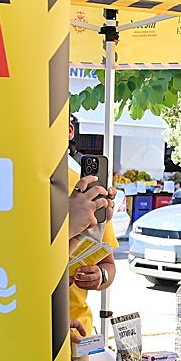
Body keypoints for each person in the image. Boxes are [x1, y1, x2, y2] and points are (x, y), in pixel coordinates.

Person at [68, 115, 117, 336]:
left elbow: (108, 263)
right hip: (30, 324)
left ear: (69, 132)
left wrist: (100, 276)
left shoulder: (88, 188)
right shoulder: (10, 184)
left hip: (79, 331)